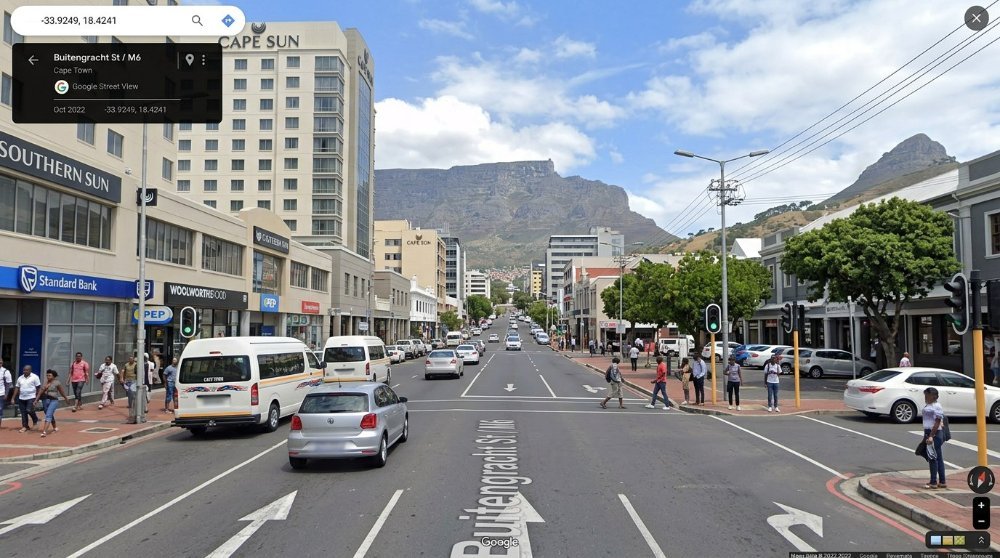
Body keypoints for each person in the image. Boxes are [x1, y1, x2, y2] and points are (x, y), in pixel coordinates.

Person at [922, 387, 947, 489]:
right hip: (931, 432)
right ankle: (942, 481)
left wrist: (931, 436)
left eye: (927, 395)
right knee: (939, 458)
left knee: (932, 458)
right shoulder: (930, 405)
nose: (925, 397)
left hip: (934, 433)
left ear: (934, 396)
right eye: (925, 395)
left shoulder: (936, 406)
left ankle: (933, 482)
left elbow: (937, 422)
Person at [35, 369, 70, 438]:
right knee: (48, 414)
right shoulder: (45, 383)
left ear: (53, 376)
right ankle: (54, 427)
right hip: (45, 400)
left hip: (53, 401)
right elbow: (40, 392)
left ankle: (44, 432)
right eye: (47, 375)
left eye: (49, 375)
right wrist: (36, 400)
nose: (48, 377)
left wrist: (66, 398)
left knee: (48, 415)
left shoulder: (57, 383)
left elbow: (61, 392)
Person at [11, 365, 40, 432]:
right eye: (24, 370)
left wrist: (37, 399)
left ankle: (35, 420)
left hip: (31, 397)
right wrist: (13, 398)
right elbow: (17, 388)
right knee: (23, 413)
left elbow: (38, 388)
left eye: (27, 370)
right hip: (21, 398)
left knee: (29, 410)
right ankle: (25, 426)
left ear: (30, 370)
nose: (25, 371)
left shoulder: (35, 377)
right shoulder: (20, 378)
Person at [0, 358, 12, 430]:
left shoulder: (5, 371)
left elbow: (8, 384)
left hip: (1, 394)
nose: (0, 364)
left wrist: (6, 394)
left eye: (1, 362)